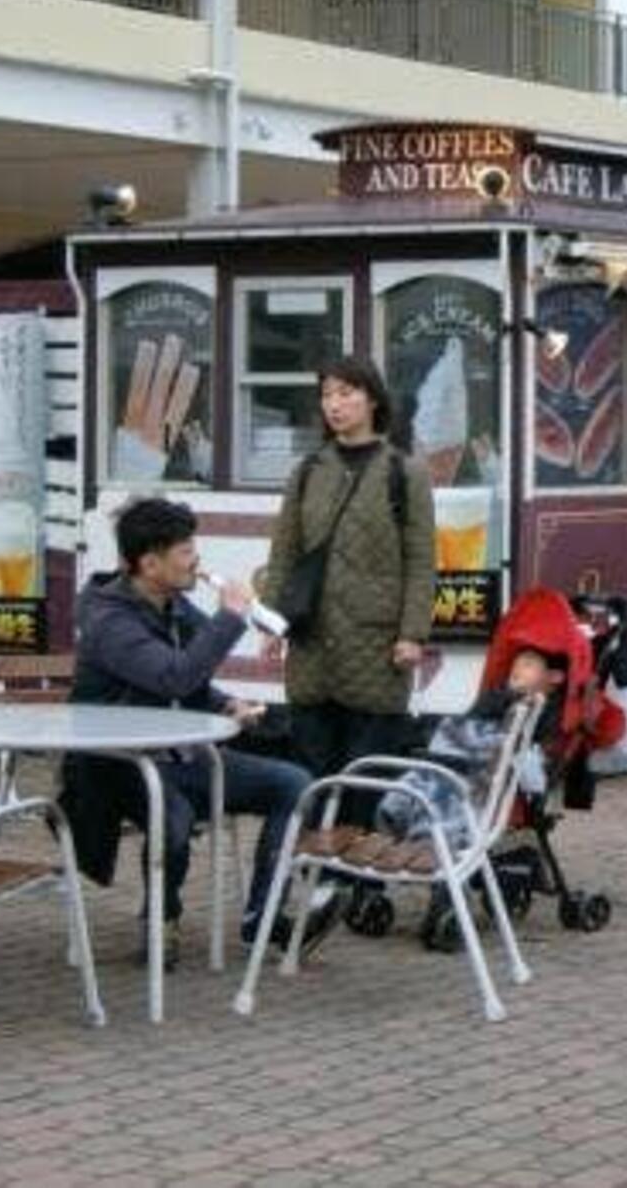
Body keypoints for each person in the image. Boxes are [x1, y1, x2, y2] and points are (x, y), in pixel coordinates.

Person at [59, 496, 327, 966]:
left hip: (181, 757)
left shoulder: (174, 606)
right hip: (114, 767)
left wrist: (227, 702)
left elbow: (195, 676)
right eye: (184, 551)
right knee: (174, 815)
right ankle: (161, 918)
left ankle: (262, 920)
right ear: (149, 563)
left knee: (293, 784)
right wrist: (231, 616)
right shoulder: (109, 620)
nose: (196, 559)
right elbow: (172, 676)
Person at [258, 353, 437, 823]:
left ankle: (362, 883)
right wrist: (271, 621)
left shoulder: (405, 471)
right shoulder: (308, 470)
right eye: (326, 394)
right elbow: (285, 553)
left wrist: (412, 633)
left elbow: (422, 560)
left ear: (373, 399)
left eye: (345, 393)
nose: (334, 405)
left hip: (377, 646)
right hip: (312, 643)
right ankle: (323, 878)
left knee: (367, 775)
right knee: (314, 772)